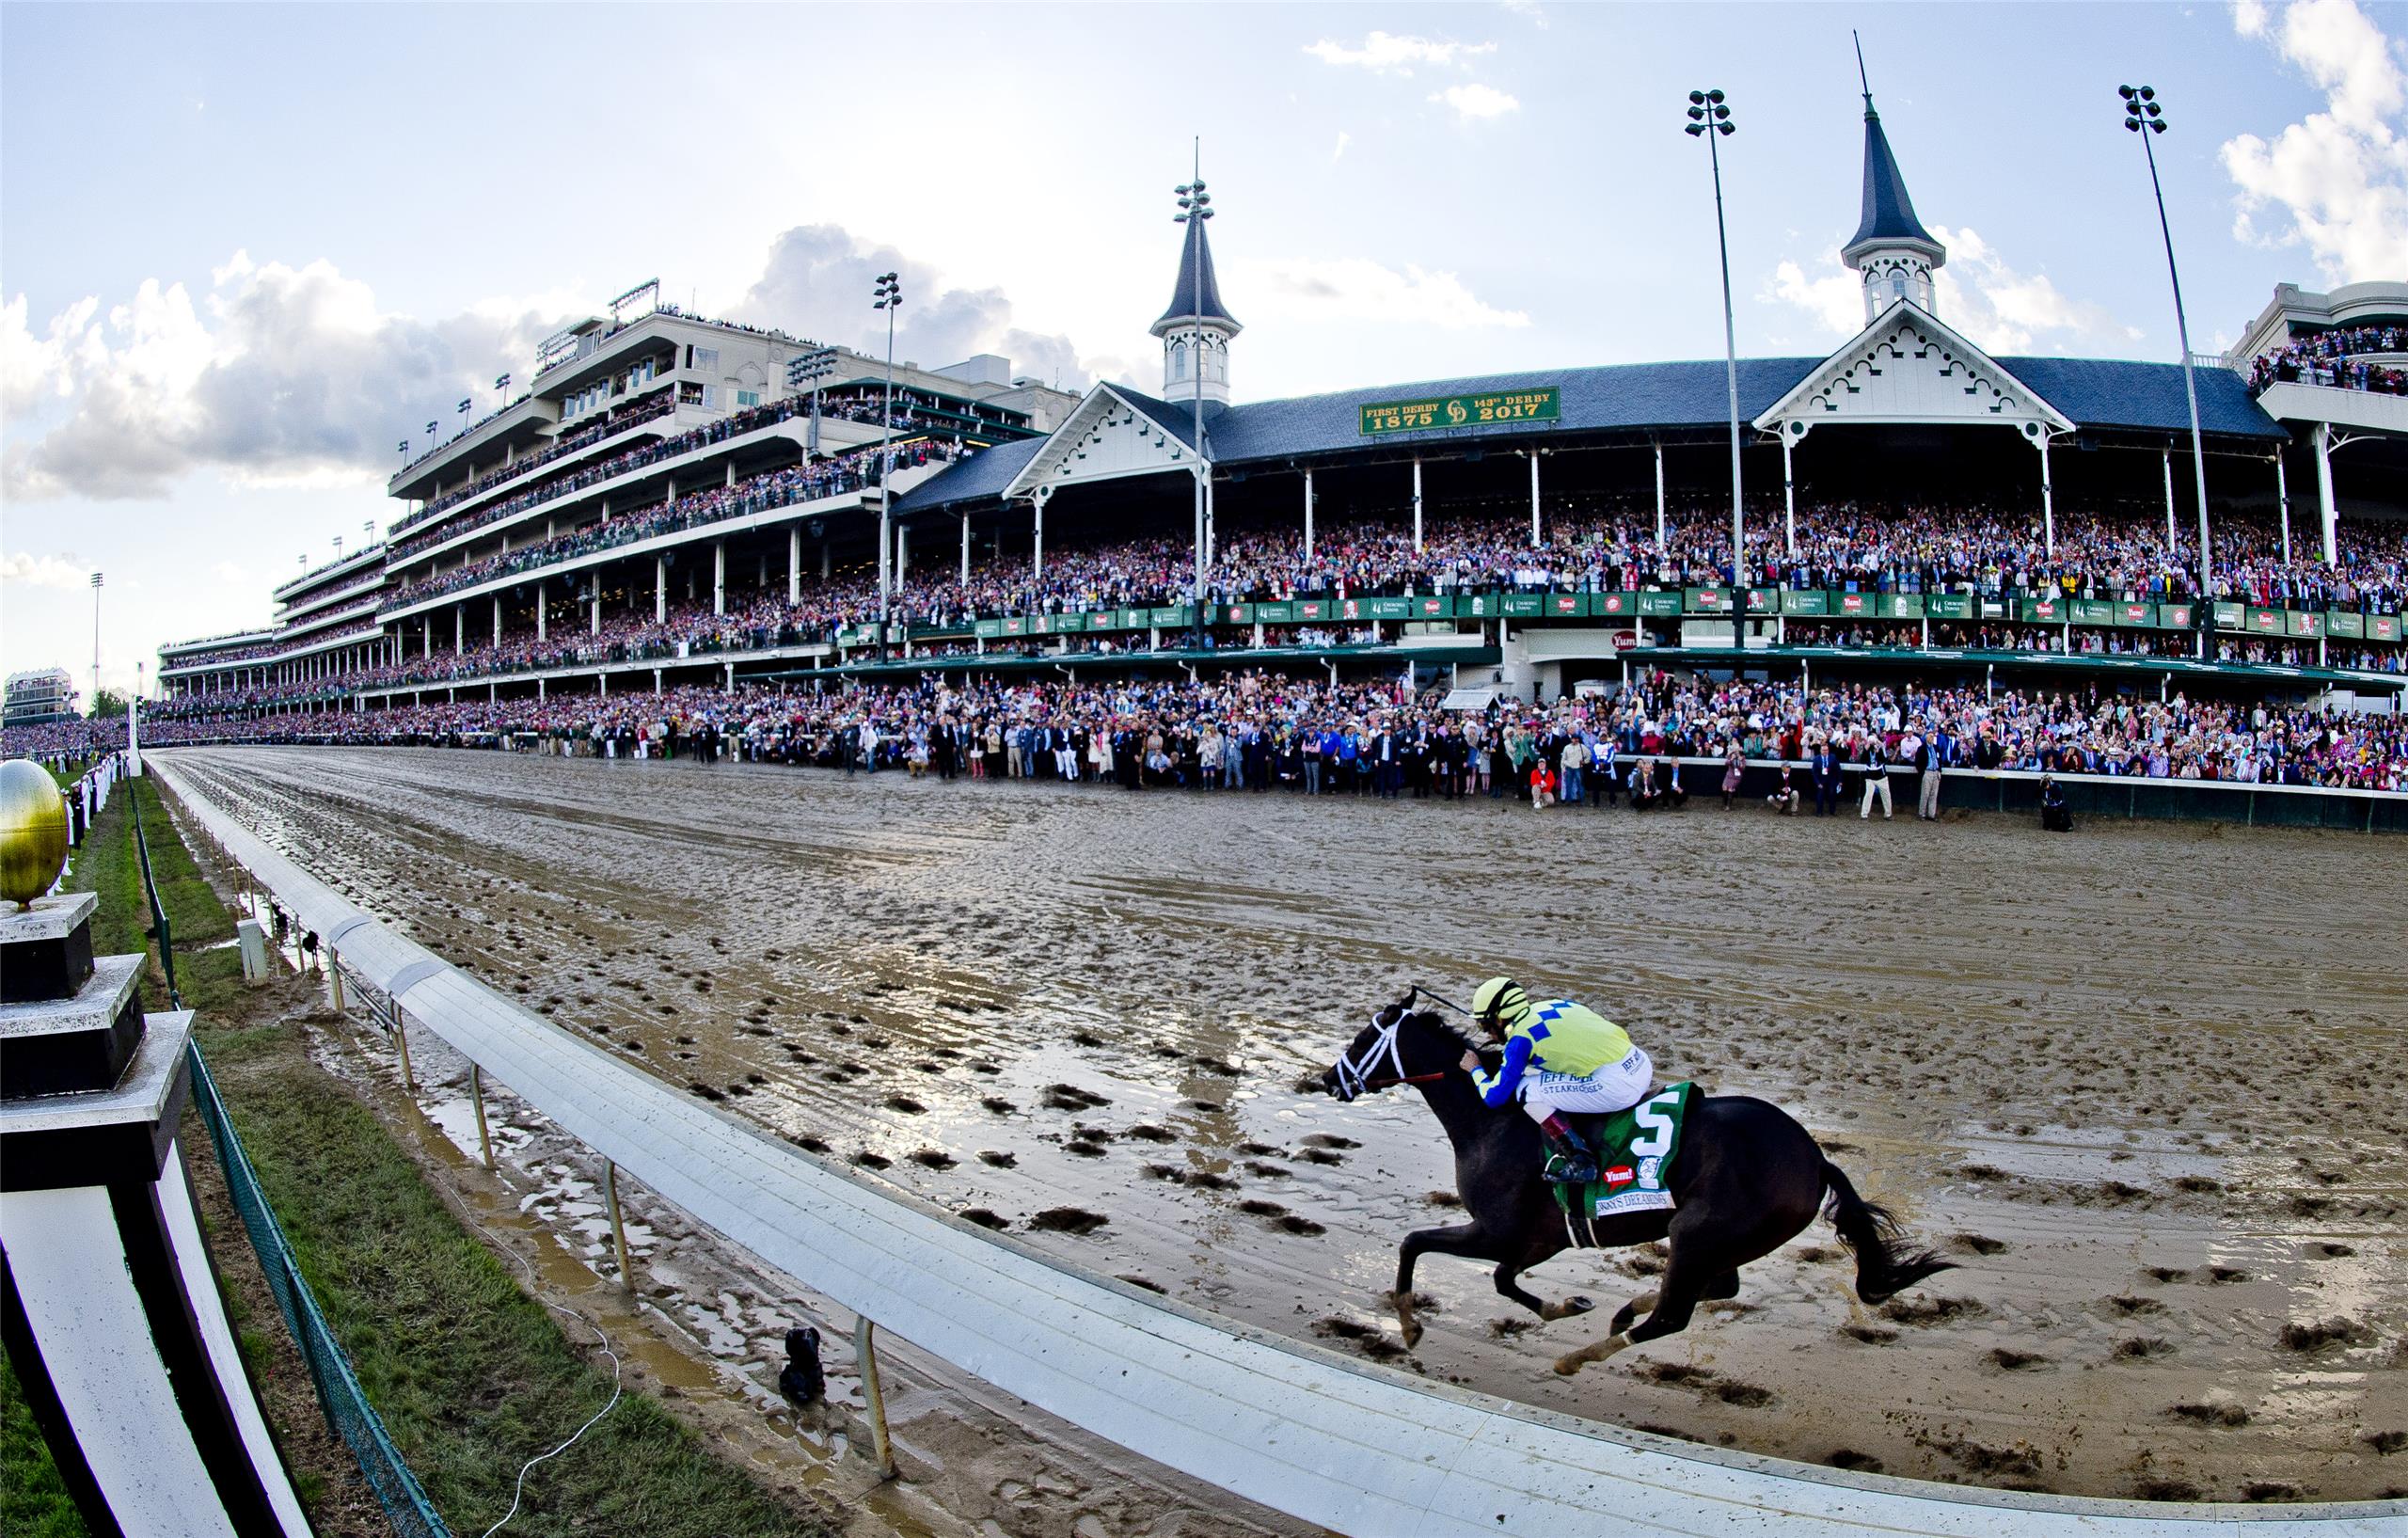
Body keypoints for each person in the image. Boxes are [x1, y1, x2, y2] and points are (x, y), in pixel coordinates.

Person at [1461, 978, 1654, 1183]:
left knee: (1525, 1089)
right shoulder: (1552, 1005)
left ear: (1500, 1020)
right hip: (1640, 1064)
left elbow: (1494, 1097)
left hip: (1619, 1087)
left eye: (1485, 1025)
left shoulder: (1520, 1040)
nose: (1487, 1033)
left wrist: (1475, 1069)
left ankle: (1581, 1160)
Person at [1859, 737, 1893, 820]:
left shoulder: (1880, 749)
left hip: (1881, 777)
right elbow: (1862, 760)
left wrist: (1880, 748)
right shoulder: (1866, 750)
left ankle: (1888, 814)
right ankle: (1864, 814)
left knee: (1886, 796)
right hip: (1870, 777)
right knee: (1868, 795)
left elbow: (1884, 759)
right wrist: (1866, 747)